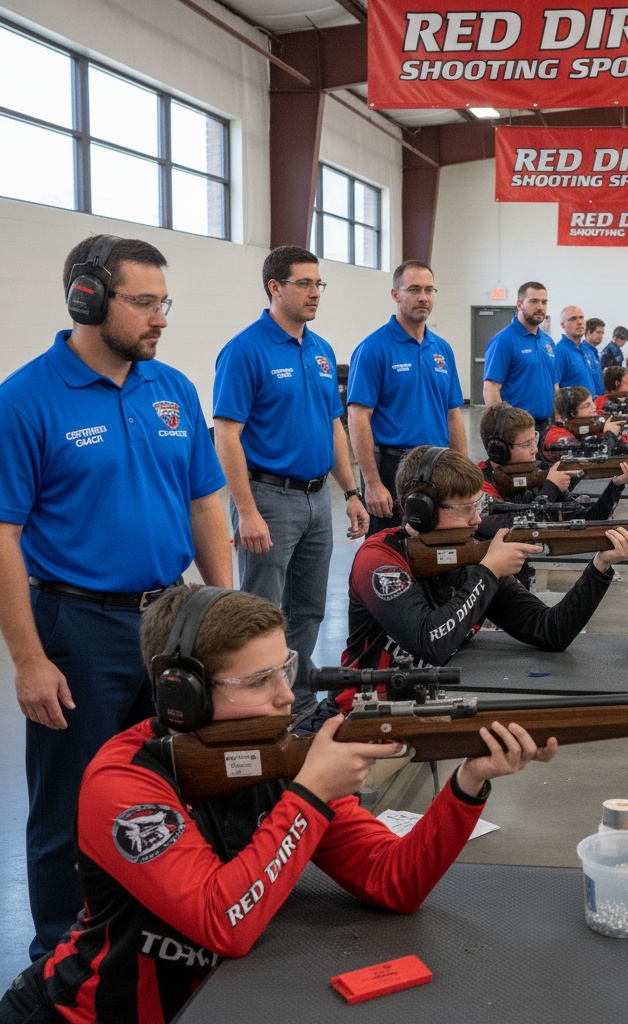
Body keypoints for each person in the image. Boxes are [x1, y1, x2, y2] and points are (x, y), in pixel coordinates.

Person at [0, 584, 556, 1024]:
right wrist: (311, 793)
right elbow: (222, 923)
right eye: (260, 680)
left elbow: (395, 881)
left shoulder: (275, 754)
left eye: (284, 669)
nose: (287, 696)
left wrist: (469, 782)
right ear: (182, 694)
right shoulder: (122, 783)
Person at [0, 234, 233, 960]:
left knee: (174, 787)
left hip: (172, 623)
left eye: (165, 302)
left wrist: (225, 616)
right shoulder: (26, 398)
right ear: (87, 298)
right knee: (72, 810)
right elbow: (2, 537)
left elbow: (204, 505)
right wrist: (30, 659)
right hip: (79, 628)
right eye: (143, 303)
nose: (160, 317)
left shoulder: (173, 390)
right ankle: (60, 966)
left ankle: (145, 941)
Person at [213, 246, 369, 710]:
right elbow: (226, 434)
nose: (314, 293)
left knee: (308, 610)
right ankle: (253, 707)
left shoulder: (321, 351)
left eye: (318, 284)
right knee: (261, 615)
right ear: (274, 287)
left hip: (318, 498)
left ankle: (296, 704)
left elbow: (334, 426)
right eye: (304, 283)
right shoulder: (244, 351)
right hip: (268, 498)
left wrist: (352, 492)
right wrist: (245, 511)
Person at [341, 446, 628, 672]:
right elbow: (430, 642)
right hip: (365, 717)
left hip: (431, 706)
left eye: (478, 505)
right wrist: (488, 572)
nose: (477, 520)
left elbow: (551, 631)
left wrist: (600, 566)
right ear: (420, 511)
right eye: (465, 509)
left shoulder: (471, 553)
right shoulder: (379, 560)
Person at [347, 260, 467, 537]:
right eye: (414, 289)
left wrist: (464, 474)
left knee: (436, 546)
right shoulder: (373, 348)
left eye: (429, 290)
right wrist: (372, 482)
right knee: (389, 551)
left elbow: (453, 414)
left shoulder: (442, 349)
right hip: (392, 467)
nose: (423, 297)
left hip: (438, 464)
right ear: (395, 295)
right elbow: (358, 417)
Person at [478, 402, 628, 520]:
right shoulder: (479, 491)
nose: (534, 449)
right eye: (526, 444)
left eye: (533, 440)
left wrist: (617, 484)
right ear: (498, 451)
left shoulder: (533, 476)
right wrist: (550, 489)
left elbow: (588, 518)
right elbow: (517, 531)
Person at [482, 281, 558, 431]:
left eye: (544, 302)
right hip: (517, 428)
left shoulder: (547, 341)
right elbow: (490, 390)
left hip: (547, 424)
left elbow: (554, 384)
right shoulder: (503, 340)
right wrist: (504, 427)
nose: (540, 307)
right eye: (534, 301)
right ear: (519, 305)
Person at [541, 387, 628, 464]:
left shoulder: (593, 426)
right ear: (572, 414)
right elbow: (597, 461)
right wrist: (609, 435)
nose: (594, 408)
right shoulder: (558, 438)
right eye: (586, 406)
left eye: (592, 403)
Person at [554, 304, 602, 394]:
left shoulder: (588, 351)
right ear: (563, 325)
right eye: (573, 319)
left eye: (581, 317)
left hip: (593, 406)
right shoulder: (559, 352)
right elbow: (555, 389)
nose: (579, 322)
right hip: (573, 407)